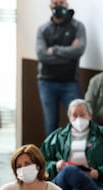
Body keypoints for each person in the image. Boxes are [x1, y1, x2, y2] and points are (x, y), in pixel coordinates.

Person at [36, 0, 86, 136]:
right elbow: (42, 55)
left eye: (62, 2)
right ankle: (51, 156)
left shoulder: (77, 27)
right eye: (55, 2)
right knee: (50, 124)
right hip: (46, 82)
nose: (58, 6)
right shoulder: (43, 29)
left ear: (67, 5)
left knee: (78, 122)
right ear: (50, 5)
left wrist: (54, 50)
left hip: (70, 82)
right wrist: (68, 53)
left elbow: (79, 50)